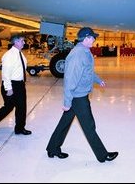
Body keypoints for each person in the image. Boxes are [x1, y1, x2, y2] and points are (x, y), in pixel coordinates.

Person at [46, 27, 118, 163]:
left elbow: (87, 71)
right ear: (86, 38)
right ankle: (103, 155)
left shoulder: (84, 51)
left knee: (64, 122)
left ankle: (53, 148)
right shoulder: (78, 54)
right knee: (89, 126)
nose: (94, 40)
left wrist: (98, 80)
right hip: (78, 97)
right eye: (92, 37)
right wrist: (67, 103)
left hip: (78, 96)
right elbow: (70, 79)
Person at [0, 34, 31, 135]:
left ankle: (19, 128)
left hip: (20, 85)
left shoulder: (19, 53)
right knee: (8, 107)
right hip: (12, 85)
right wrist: (9, 88)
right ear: (16, 42)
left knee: (22, 107)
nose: (24, 43)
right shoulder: (9, 55)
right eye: (22, 41)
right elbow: (5, 74)